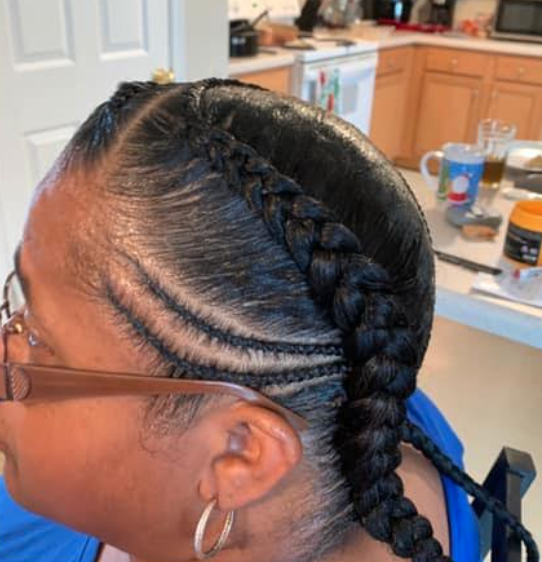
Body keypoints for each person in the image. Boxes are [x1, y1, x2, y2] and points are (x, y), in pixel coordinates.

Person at [0, 79, 537, 562]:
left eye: (39, 340)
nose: (6, 348)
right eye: (17, 296)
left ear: (239, 454)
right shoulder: (362, 382)